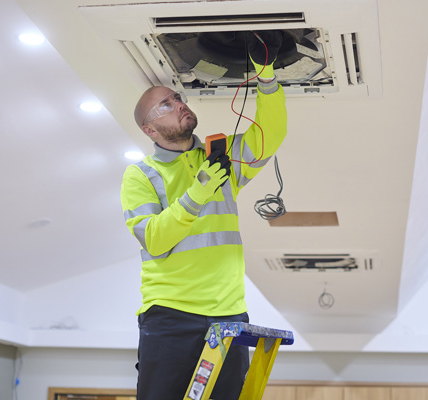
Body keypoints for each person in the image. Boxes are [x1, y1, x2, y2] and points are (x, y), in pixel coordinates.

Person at [120, 31, 287, 400]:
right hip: (170, 314)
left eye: (177, 97)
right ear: (150, 130)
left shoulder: (219, 158)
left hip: (229, 313)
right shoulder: (141, 174)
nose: (178, 103)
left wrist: (267, 77)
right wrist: (199, 191)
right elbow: (154, 238)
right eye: (165, 105)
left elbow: (270, 135)